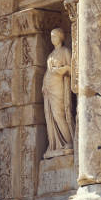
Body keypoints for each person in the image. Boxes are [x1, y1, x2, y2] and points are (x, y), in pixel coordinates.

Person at [42, 28, 74, 158]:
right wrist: (44, 84)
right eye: (51, 37)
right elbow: (48, 71)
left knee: (59, 113)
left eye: (54, 36)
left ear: (61, 37)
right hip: (49, 88)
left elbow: (72, 69)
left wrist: (61, 70)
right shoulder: (51, 54)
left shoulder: (65, 51)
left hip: (59, 86)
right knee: (51, 115)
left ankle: (69, 141)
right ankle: (55, 144)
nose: (52, 39)